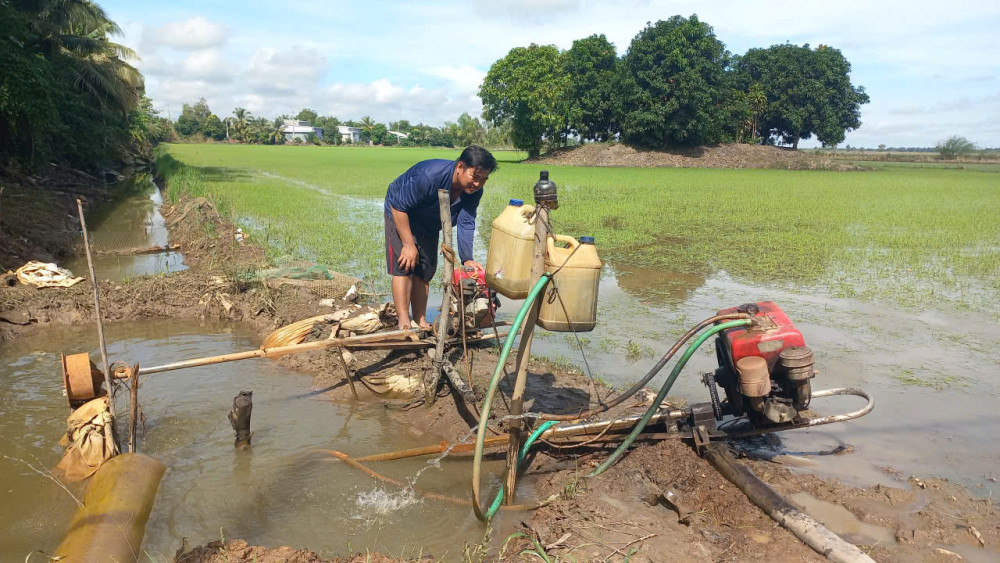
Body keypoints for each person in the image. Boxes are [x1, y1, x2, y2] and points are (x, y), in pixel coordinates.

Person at [384, 145, 497, 331]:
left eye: (483, 179)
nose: (478, 184)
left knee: (425, 270)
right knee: (404, 265)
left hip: (430, 220)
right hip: (401, 213)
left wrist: (466, 257)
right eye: (475, 177)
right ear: (460, 166)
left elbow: (466, 222)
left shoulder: (473, 192)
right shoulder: (428, 176)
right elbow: (398, 206)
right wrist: (408, 244)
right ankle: (403, 321)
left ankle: (420, 320)